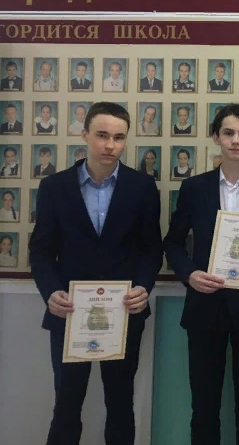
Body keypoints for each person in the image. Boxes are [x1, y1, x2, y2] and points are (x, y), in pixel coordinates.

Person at [28, 101, 163, 445]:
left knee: (120, 404)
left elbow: (151, 249)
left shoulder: (142, 187)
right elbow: (41, 250)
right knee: (66, 404)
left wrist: (143, 286)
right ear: (85, 134)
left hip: (124, 312)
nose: (110, 145)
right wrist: (50, 291)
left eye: (118, 137)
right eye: (102, 135)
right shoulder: (54, 187)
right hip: (69, 311)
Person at [163, 103, 239, 445]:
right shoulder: (195, 188)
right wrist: (190, 274)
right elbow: (173, 243)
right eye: (229, 133)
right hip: (205, 309)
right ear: (216, 137)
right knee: (203, 408)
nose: (236, 140)